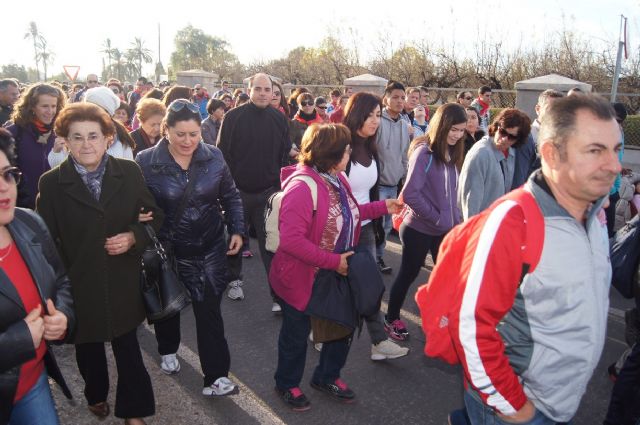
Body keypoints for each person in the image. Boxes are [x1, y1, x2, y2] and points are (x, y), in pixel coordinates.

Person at [445, 93, 621, 425]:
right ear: (552, 154)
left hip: (558, 401)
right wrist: (512, 405)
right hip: (520, 404)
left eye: (615, 148)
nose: (613, 164)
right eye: (596, 150)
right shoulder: (514, 222)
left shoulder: (594, 219)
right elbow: (469, 326)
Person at [37, 102, 164, 425]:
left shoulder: (129, 171)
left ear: (108, 137)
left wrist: (133, 236)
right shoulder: (51, 184)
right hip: (79, 283)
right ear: (64, 140)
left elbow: (155, 217)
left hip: (122, 279)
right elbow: (46, 242)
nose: (86, 144)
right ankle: (96, 394)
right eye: (76, 137)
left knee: (128, 348)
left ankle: (133, 411)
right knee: (89, 348)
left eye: (93, 135)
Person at [270, 123, 402, 411]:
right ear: (331, 154)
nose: (350, 153)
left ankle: (326, 376)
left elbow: (351, 213)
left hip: (335, 269)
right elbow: (291, 241)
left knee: (340, 326)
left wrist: (383, 207)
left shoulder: (335, 178)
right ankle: (287, 383)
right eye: (346, 149)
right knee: (296, 332)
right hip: (304, 275)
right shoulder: (302, 187)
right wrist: (333, 261)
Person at [136, 99, 244, 396]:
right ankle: (168, 349)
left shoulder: (214, 156)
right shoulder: (145, 161)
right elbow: (132, 203)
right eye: (180, 134)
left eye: (194, 134)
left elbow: (231, 196)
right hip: (169, 250)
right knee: (169, 307)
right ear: (165, 130)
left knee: (209, 312)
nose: (188, 141)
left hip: (210, 247)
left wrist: (237, 229)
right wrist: (139, 213)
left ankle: (216, 377)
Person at [0, 129, 75, 425]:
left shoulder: (28, 222)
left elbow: (62, 281)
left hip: (32, 383)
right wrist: (20, 340)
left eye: (7, 174)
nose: (4, 187)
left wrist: (64, 317)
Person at [385, 104, 466, 341]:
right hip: (418, 229)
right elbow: (411, 194)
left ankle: (438, 316)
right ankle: (391, 318)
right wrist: (438, 217)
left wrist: (456, 220)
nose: (457, 135)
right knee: (408, 273)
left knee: (446, 276)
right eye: (453, 129)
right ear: (441, 125)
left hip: (444, 230)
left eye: (461, 130)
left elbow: (451, 193)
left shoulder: (453, 152)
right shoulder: (424, 153)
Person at [342, 92, 409, 360]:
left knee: (368, 284)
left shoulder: (371, 147)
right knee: (337, 284)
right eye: (370, 115)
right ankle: (322, 327)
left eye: (377, 115)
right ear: (356, 113)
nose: (375, 121)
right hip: (341, 230)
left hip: (366, 226)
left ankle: (378, 342)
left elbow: (369, 192)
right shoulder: (341, 145)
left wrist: (378, 221)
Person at [217, 73, 290, 313]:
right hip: (237, 192)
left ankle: (277, 295)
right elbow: (222, 155)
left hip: (268, 193)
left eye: (266, 89)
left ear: (273, 93)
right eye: (257, 88)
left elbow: (283, 154)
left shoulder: (279, 120)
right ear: (249, 90)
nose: (262, 93)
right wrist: (227, 190)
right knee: (234, 239)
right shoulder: (232, 117)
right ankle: (234, 281)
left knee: (271, 245)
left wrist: (278, 188)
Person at [458, 108, 531, 220]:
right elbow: (469, 200)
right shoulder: (480, 153)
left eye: (512, 137)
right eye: (503, 132)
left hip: (496, 222)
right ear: (496, 127)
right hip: (478, 226)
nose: (505, 139)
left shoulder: (510, 152)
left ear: (518, 140)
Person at [4, 83, 66, 209]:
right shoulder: (14, 133)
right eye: (44, 106)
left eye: (54, 106)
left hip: (55, 206)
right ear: (32, 107)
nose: (50, 111)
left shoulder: (62, 132)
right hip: (23, 207)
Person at [47, 86, 137, 167]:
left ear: (108, 114)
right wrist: (56, 152)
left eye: (96, 109)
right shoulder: (71, 130)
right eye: (88, 107)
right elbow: (59, 170)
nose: (91, 113)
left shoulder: (120, 136)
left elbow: (128, 169)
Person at [375, 81, 410, 274]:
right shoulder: (378, 121)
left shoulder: (404, 126)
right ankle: (371, 259)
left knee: (387, 226)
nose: (399, 101)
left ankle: (378, 257)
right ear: (385, 98)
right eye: (395, 97)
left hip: (394, 184)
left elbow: (404, 156)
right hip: (378, 184)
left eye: (402, 98)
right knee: (376, 226)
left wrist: (403, 180)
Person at [511, 89, 564, 190]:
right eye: (550, 109)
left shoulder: (562, 138)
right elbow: (519, 178)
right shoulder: (527, 136)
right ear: (538, 109)